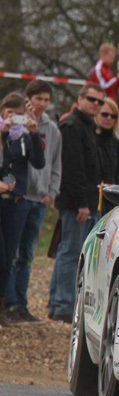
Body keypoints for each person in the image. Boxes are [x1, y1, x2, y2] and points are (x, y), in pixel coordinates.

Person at [5, 81, 61, 324]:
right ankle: (7, 303)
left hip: (39, 198)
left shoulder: (52, 130)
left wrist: (53, 190)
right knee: (10, 254)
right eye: (38, 99)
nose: (42, 104)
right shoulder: (14, 127)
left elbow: (54, 162)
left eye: (47, 100)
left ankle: (21, 303)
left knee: (27, 255)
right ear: (28, 99)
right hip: (17, 196)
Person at [48, 84, 104, 323]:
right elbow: (73, 169)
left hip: (86, 201)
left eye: (100, 101)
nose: (96, 104)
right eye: (91, 99)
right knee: (70, 253)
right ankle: (62, 305)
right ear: (80, 99)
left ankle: (57, 303)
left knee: (72, 252)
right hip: (75, 203)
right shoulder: (72, 126)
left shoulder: (88, 126)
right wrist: (82, 203)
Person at [0, 93, 45, 325]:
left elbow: (39, 162)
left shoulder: (24, 137)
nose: (13, 119)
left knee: (9, 256)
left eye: (18, 115)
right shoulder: (3, 134)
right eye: (9, 114)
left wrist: (34, 133)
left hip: (17, 200)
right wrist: (4, 130)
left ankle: (3, 306)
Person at [95, 98, 119, 215]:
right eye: (105, 114)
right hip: (95, 198)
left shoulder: (115, 141)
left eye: (113, 116)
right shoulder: (92, 137)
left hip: (111, 199)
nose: (109, 118)